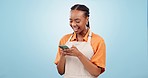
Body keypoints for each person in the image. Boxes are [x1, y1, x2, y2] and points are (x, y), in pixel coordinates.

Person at [54, 4, 106, 78]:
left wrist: (79, 55)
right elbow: (61, 72)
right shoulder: (64, 39)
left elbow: (96, 72)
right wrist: (63, 55)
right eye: (71, 21)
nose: (73, 24)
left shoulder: (98, 41)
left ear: (87, 20)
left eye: (77, 21)